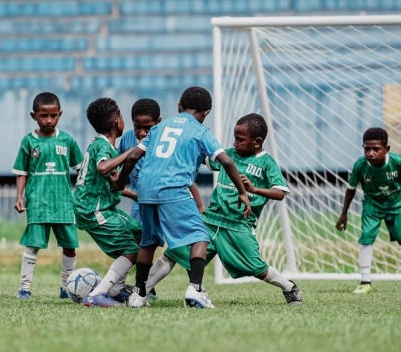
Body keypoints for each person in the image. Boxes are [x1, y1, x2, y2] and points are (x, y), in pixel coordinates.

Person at [142, 114, 303, 304]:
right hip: (210, 220)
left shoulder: (266, 163)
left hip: (238, 225)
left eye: (240, 140)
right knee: (175, 252)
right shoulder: (229, 155)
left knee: (255, 267)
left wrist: (254, 189)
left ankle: (289, 287)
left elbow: (280, 192)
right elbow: (204, 157)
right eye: (235, 138)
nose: (235, 143)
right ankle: (142, 289)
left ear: (257, 142)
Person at [116, 86, 251, 309]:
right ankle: (195, 290)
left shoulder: (159, 128)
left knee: (148, 242)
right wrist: (243, 192)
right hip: (174, 188)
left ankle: (138, 295)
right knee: (200, 236)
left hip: (145, 190)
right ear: (206, 112)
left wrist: (120, 183)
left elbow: (132, 157)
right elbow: (226, 162)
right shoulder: (200, 131)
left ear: (179, 106)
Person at [335, 127, 401, 294]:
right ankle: (365, 281)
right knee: (366, 238)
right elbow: (350, 189)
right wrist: (344, 214)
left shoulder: (398, 161)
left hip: (397, 204)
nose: (371, 153)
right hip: (372, 205)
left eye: (376, 149)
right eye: (367, 148)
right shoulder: (360, 166)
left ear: (386, 149)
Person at [12, 92, 83, 300]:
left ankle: (66, 287)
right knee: (32, 245)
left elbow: (81, 170)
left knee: (70, 246)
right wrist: (19, 196)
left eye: (53, 115)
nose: (49, 120)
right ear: (33, 115)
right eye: (44, 115)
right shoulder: (28, 142)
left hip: (63, 203)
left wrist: (81, 194)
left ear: (60, 114)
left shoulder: (67, 140)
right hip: (38, 203)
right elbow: (22, 173)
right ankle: (24, 288)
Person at [73, 97, 143, 307]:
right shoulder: (103, 147)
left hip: (103, 207)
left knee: (139, 232)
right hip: (94, 210)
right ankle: (99, 293)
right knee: (132, 249)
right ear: (117, 120)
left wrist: (135, 195)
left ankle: (116, 287)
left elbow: (112, 182)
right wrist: (132, 152)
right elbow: (103, 168)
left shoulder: (104, 147)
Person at [118, 98, 162, 221]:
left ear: (158, 122)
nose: (142, 133)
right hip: (138, 204)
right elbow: (115, 174)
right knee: (139, 238)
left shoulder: (164, 142)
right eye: (137, 127)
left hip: (162, 202)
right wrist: (132, 194)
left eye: (148, 128)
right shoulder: (127, 138)